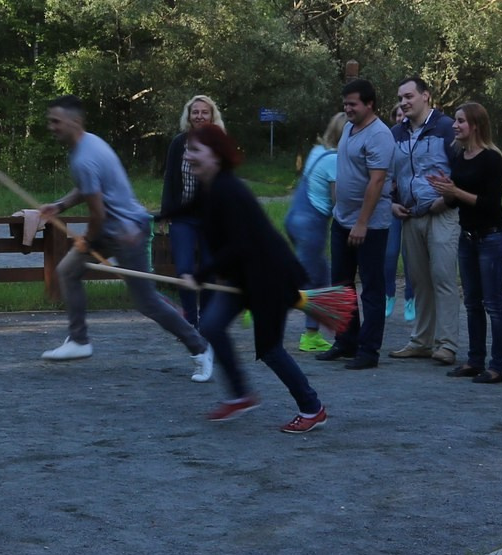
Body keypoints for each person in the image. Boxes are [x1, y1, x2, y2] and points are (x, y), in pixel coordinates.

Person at [165, 124, 330, 432]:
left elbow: (238, 245)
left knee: (270, 349)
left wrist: (198, 276)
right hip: (243, 277)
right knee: (211, 326)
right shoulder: (209, 186)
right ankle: (241, 395)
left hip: (269, 278)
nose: (187, 156)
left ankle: (312, 408)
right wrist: (152, 218)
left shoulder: (229, 190)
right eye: (188, 150)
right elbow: (191, 207)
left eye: (195, 150)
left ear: (215, 155)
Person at [38, 95, 213, 377]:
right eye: (51, 121)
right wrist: (59, 206)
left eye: (56, 121)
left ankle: (201, 347)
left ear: (75, 121)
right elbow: (89, 188)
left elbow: (97, 214)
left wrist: (86, 240)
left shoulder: (84, 157)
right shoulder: (88, 144)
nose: (51, 127)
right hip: (112, 228)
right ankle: (79, 340)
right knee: (67, 271)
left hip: (128, 232)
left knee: (147, 302)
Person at [424, 101, 502, 383]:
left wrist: (455, 191)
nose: (455, 125)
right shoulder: (460, 156)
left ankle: (497, 366)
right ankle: (474, 360)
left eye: (460, 121)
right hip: (467, 237)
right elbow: (454, 200)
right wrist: (445, 191)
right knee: (472, 302)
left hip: (490, 238)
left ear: (476, 125)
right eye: (455, 120)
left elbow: (489, 204)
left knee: (493, 303)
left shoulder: (492, 158)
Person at [320, 78, 396, 370]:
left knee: (372, 288)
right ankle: (345, 341)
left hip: (369, 226)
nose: (348, 109)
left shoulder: (379, 135)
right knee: (340, 285)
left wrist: (362, 223)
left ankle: (368, 350)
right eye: (345, 104)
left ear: (369, 104)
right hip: (342, 220)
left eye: (353, 104)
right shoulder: (349, 129)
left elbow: (377, 181)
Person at [387, 77, 461, 364]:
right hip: (410, 215)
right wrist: (392, 203)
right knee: (419, 281)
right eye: (400, 98)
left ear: (426, 96)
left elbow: (462, 168)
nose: (404, 102)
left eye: (409, 96)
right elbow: (389, 174)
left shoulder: (446, 127)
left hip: (442, 213)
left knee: (443, 278)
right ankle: (421, 341)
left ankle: (447, 345)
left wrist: (448, 199)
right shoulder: (396, 132)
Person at [158, 96, 225, 326]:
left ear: (212, 115)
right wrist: (166, 212)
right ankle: (190, 319)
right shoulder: (179, 143)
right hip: (183, 218)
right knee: (184, 270)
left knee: (209, 271)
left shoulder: (219, 143)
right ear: (189, 116)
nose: (199, 116)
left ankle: (206, 320)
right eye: (195, 112)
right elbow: (170, 178)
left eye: (204, 112)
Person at [287, 114, 345, 351]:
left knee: (321, 278)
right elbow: (338, 201)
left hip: (294, 219)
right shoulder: (335, 160)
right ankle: (259, 302)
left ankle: (313, 334)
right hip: (311, 226)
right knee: (308, 281)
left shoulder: (318, 151)